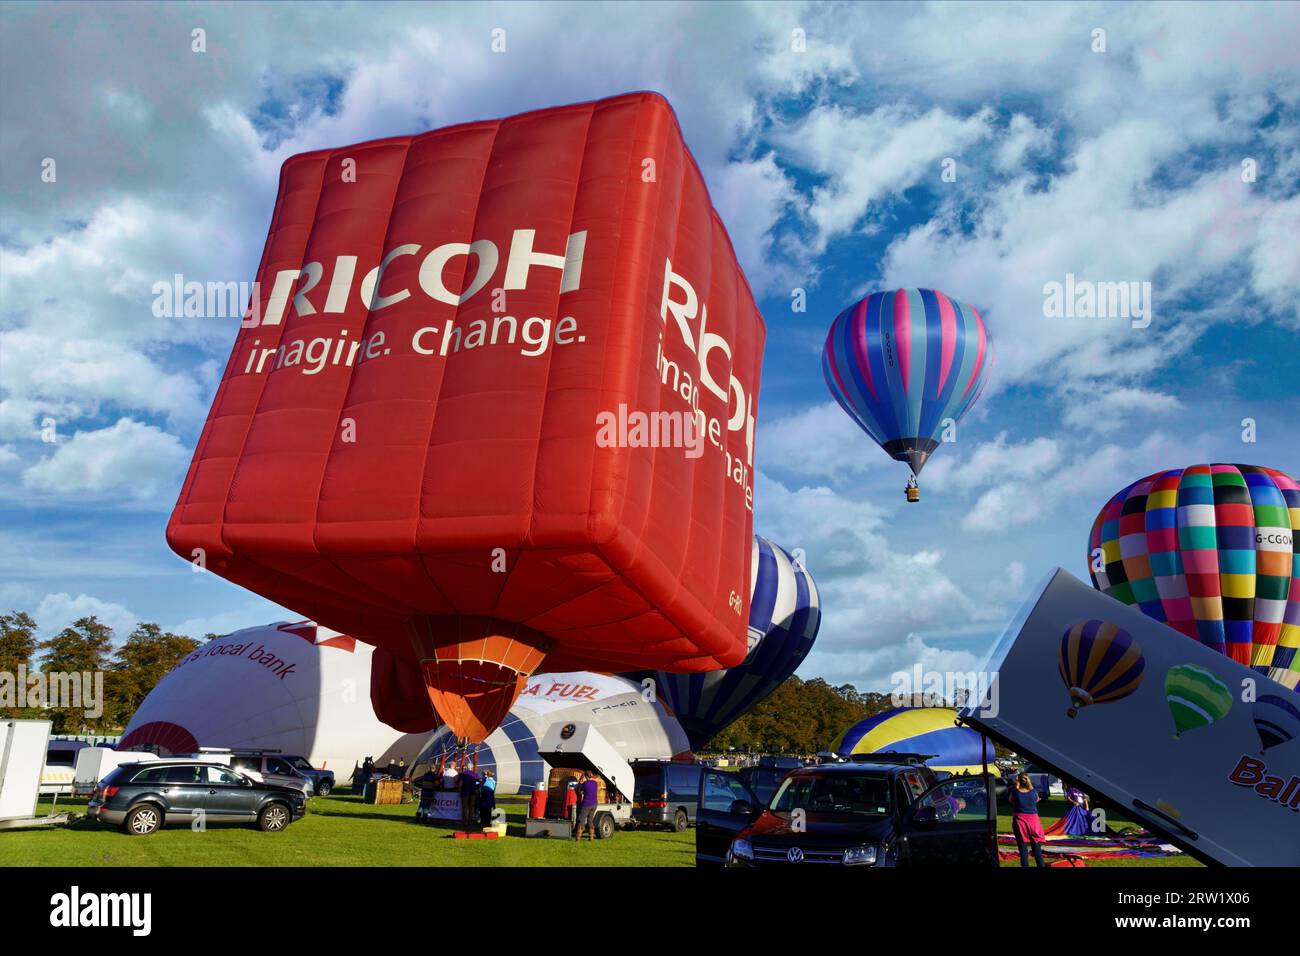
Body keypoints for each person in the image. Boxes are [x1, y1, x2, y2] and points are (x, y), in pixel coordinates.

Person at [1010, 772, 1046, 867]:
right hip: (1034, 822)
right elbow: (1037, 800)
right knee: (1037, 851)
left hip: (1020, 822)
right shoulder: (1034, 791)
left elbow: (1010, 800)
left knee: (1023, 851)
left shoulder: (1015, 792)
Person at [574, 771, 600, 841]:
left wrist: (580, 783)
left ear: (586, 776)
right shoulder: (595, 783)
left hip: (586, 804)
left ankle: (578, 837)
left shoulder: (585, 784)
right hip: (594, 804)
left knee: (581, 819)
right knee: (590, 820)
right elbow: (589, 791)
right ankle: (591, 837)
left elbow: (579, 791)